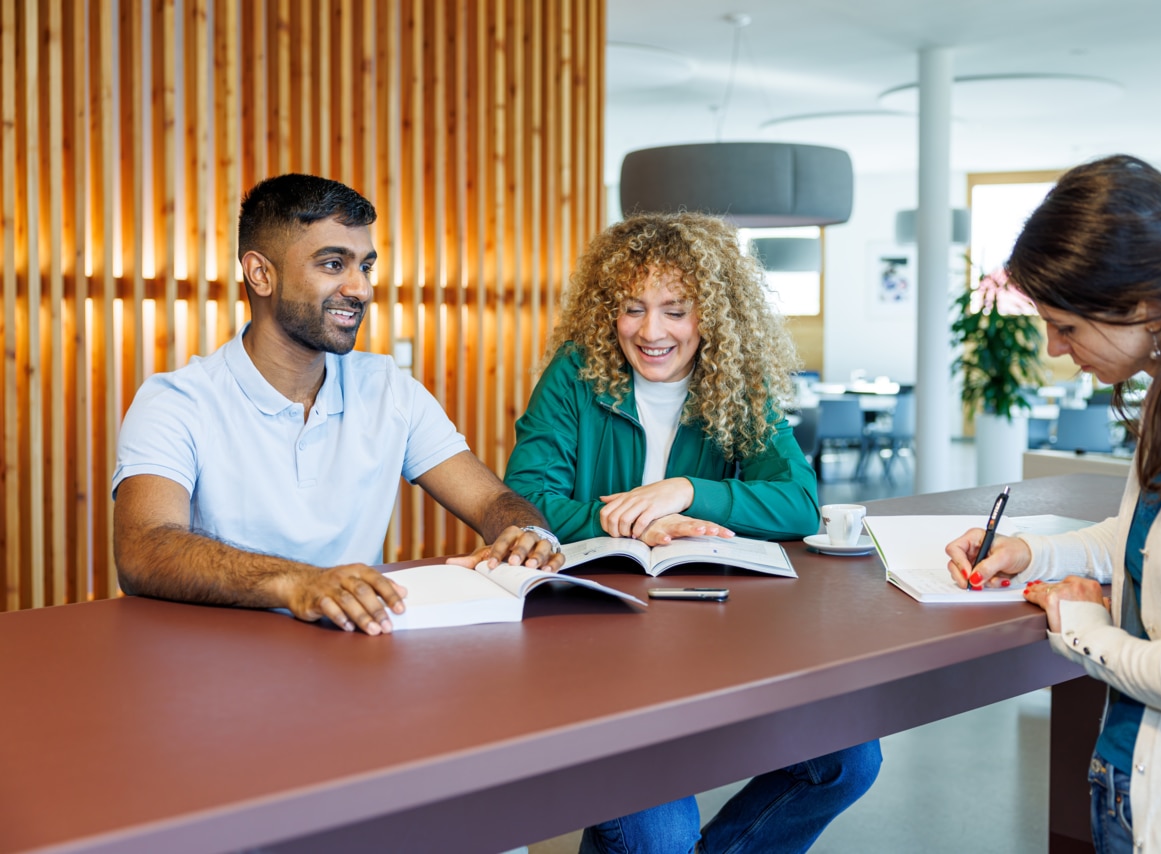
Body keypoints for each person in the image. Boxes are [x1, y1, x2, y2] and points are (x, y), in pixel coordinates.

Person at [504, 211, 882, 853]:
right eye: (632, 308)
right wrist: (624, 521)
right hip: (592, 633)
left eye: (676, 309)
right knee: (659, 836)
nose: (651, 331)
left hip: (712, 633)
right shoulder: (575, 372)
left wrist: (687, 492)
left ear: (713, 314)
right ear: (607, 311)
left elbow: (796, 501)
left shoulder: (737, 383)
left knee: (847, 759)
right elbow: (528, 497)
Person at [944, 155, 1161, 852]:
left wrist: (1084, 632)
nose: (1055, 349)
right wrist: (1031, 552)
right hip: (1131, 775)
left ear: (1144, 304)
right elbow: (1142, 540)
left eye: (1066, 327)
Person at [112, 173, 563, 637]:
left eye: (365, 267)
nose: (361, 289)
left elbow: (492, 499)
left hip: (352, 654)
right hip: (219, 667)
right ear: (260, 273)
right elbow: (143, 549)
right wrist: (302, 583)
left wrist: (530, 536)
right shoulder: (177, 400)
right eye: (333, 264)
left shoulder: (389, 388)